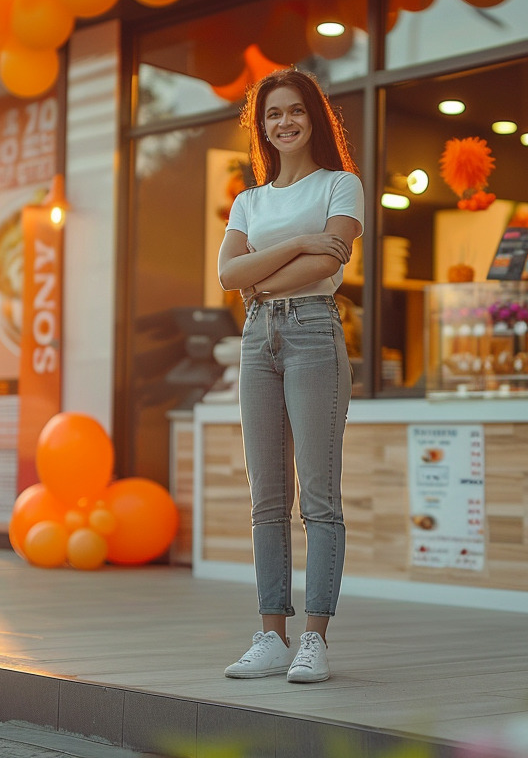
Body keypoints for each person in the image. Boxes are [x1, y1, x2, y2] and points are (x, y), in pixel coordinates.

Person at [216, 69, 363, 683]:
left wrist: (260, 276)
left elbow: (333, 256)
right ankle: (271, 634)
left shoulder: (342, 184)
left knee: (320, 499)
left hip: (311, 333)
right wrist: (300, 243)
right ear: (263, 127)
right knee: (267, 500)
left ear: (314, 118)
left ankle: (314, 638)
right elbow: (228, 274)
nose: (284, 123)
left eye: (295, 111)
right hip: (257, 340)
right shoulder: (250, 199)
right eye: (273, 114)